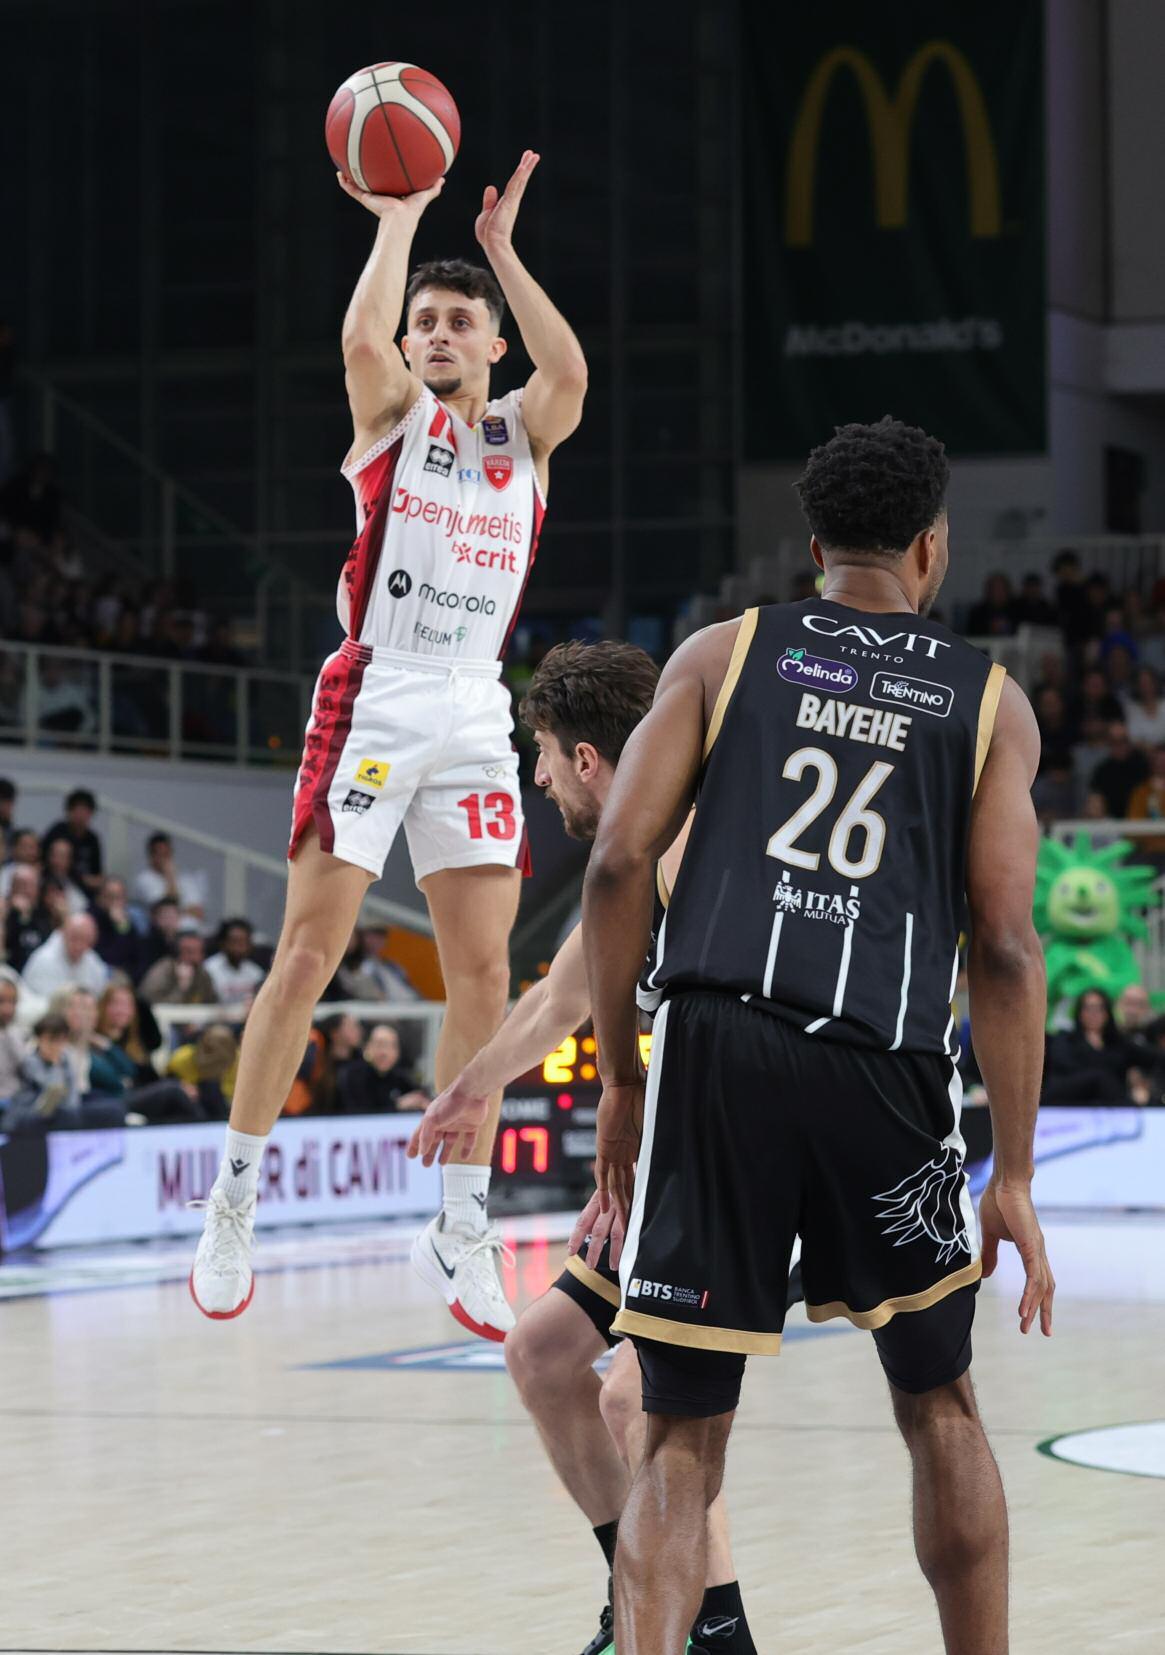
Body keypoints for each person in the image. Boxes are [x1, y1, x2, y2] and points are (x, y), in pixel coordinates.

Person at [577, 417, 1054, 1652]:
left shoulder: (721, 651)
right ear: (931, 545)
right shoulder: (989, 702)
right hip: (883, 1063)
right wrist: (1013, 1171)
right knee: (940, 1402)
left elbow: (618, 858)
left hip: (715, 1050)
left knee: (679, 1435)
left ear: (813, 548)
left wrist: (621, 1081)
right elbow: (1006, 944)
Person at [190, 147, 588, 1331]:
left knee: (486, 973)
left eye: (461, 320)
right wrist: (401, 218)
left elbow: (572, 370)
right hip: (375, 690)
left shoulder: (524, 437)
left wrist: (503, 251)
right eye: (427, 323)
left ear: (494, 342)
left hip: (474, 706)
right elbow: (360, 341)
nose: (438, 334)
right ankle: (233, 1199)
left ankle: (460, 1221)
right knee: (309, 953)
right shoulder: (392, 421)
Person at [409, 640, 763, 1655]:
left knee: (637, 1396)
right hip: (676, 1170)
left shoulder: (698, 845)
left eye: (543, 754)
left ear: (589, 758)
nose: (537, 776)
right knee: (543, 1352)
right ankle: (634, 1592)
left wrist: (650, 1158)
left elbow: (743, 1038)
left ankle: (716, 1632)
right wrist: (471, 1087)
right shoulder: (633, 852)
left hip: (750, 1165)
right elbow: (558, 999)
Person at [5, 1011, 124, 1134]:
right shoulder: (30, 1062)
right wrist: (54, 1065)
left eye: (60, 1041)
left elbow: (72, 1098)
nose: (56, 1046)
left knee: (113, 1107)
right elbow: (49, 1096)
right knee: (66, 1115)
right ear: (39, 1039)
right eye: (51, 1040)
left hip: (65, 1112)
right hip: (34, 1115)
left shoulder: (65, 1059)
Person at [338, 1023, 429, 1114]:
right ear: (367, 1047)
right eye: (380, 1045)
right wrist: (397, 1105)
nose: (385, 1052)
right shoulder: (352, 1076)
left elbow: (421, 1097)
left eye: (392, 1046)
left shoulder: (401, 1077)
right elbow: (360, 1113)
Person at [22, 913, 108, 999]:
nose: (79, 945)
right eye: (74, 938)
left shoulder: (93, 962)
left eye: (85, 940)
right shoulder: (43, 960)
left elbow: (100, 996)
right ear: (63, 933)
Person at [133, 831, 208, 920]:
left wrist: (180, 912)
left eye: (167, 854)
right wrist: (170, 878)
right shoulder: (144, 879)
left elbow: (199, 913)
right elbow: (166, 913)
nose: (164, 859)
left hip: (191, 928)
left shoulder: (185, 879)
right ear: (151, 856)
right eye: (160, 854)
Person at [43, 788, 104, 895]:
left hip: (84, 890)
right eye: (78, 810)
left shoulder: (93, 839)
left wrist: (85, 880)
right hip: (55, 884)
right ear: (69, 811)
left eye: (85, 811)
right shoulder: (58, 831)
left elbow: (98, 875)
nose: (81, 815)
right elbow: (42, 861)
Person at [138, 926, 218, 1006]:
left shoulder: (202, 973)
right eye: (190, 952)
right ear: (177, 952)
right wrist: (182, 987)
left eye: (200, 951)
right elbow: (148, 1003)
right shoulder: (162, 971)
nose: (196, 957)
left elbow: (212, 1002)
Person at [203, 917, 266, 1010]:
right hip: (217, 1017)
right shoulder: (209, 969)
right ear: (223, 943)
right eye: (234, 941)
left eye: (243, 942)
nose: (239, 948)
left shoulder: (255, 972)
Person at [1089, 722, 1149, 818]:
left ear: (1129, 742)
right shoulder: (1102, 770)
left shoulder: (1143, 766)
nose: (1119, 745)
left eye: (1123, 741)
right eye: (1114, 742)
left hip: (1141, 821)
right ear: (1108, 743)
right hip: (1109, 822)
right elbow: (1095, 800)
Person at [90, 875, 146, 980]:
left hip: (129, 975)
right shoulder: (92, 920)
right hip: (103, 973)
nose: (115, 902)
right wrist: (121, 928)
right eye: (110, 897)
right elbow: (112, 958)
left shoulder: (128, 918)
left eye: (120, 897)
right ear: (100, 898)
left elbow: (138, 954)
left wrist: (123, 926)